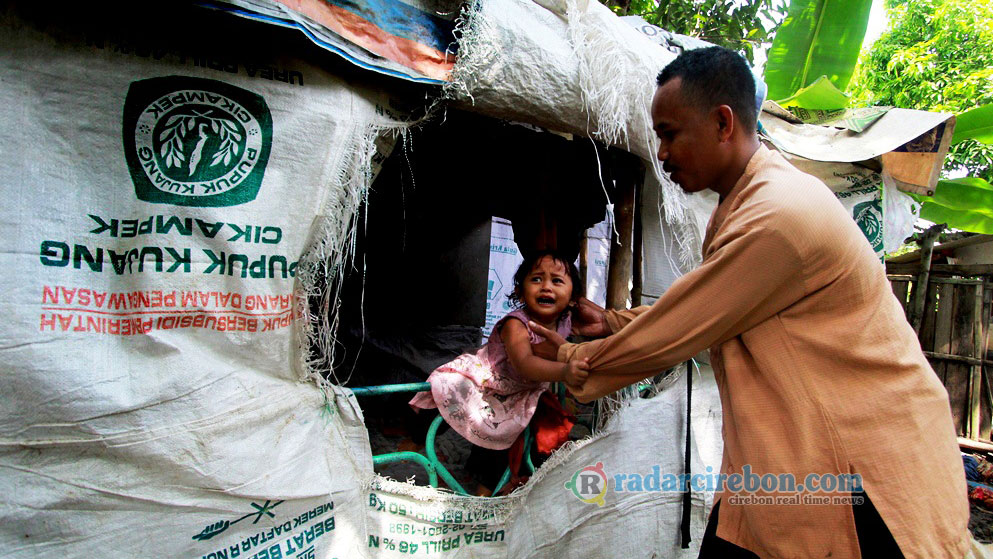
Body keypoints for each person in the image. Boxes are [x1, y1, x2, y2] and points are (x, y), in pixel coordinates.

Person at [529, 47, 969, 558]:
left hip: (860, 468)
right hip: (783, 461)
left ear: (722, 123)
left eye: (670, 134)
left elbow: (684, 327)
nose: (662, 153)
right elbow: (717, 305)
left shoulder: (779, 215)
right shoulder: (748, 205)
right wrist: (610, 320)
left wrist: (569, 361)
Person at [409, 250, 589, 453]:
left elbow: (601, 326)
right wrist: (564, 372)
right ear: (520, 292)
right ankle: (414, 441)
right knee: (446, 405)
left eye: (557, 281)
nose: (546, 286)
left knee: (500, 432)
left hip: (519, 389)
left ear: (573, 298)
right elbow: (524, 363)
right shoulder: (516, 324)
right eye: (536, 279)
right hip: (484, 379)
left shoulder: (568, 321)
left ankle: (486, 481)